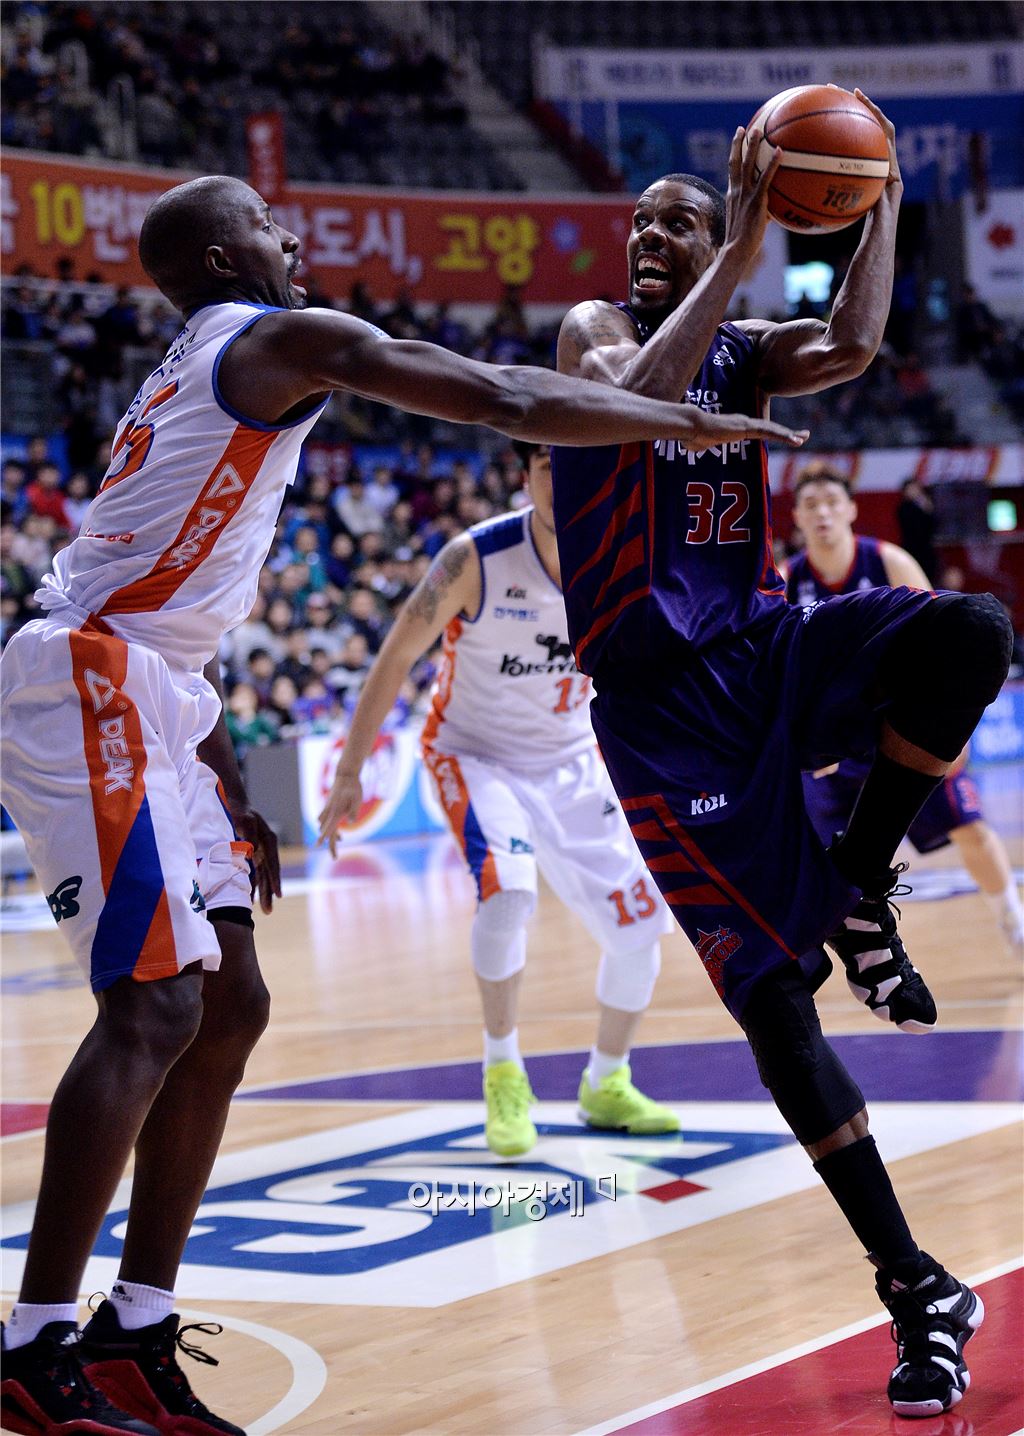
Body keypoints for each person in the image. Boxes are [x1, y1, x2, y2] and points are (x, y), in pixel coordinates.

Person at [0, 172, 802, 1436]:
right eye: (266, 224)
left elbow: (175, 606)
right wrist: (676, 420)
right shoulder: (273, 337)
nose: (290, 236)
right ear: (224, 258)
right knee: (153, 1004)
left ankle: (134, 1327)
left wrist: (219, 776)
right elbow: (502, 396)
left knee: (232, 1001)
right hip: (88, 676)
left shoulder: (214, 360)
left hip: (159, 689)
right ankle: (33, 1343)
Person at [549, 99, 1011, 1419]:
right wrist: (745, 240)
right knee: (774, 1004)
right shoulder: (595, 331)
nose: (650, 238)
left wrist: (886, 200)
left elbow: (855, 342)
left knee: (972, 632)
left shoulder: (743, 349)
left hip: (761, 648)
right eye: (644, 224)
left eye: (677, 224)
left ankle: (859, 881)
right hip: (660, 712)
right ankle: (917, 1285)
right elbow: (636, 397)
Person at [318, 445, 678, 1158]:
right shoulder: (474, 558)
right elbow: (397, 655)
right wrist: (352, 769)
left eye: (575, 465)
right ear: (525, 475)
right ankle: (503, 1072)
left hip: (571, 757)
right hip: (473, 752)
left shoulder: (622, 555)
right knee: (508, 895)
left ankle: (607, 1081)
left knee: (641, 925)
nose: (562, 480)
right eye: (547, 466)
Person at [785, 465, 1023, 957]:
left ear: (852, 509)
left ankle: (1014, 923)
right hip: (832, 741)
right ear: (797, 518)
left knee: (969, 827)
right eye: (810, 505)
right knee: (806, 857)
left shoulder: (890, 561)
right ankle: (832, 958)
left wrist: (955, 732)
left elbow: (947, 645)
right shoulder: (786, 578)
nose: (822, 512)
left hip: (899, 725)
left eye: (831, 502)